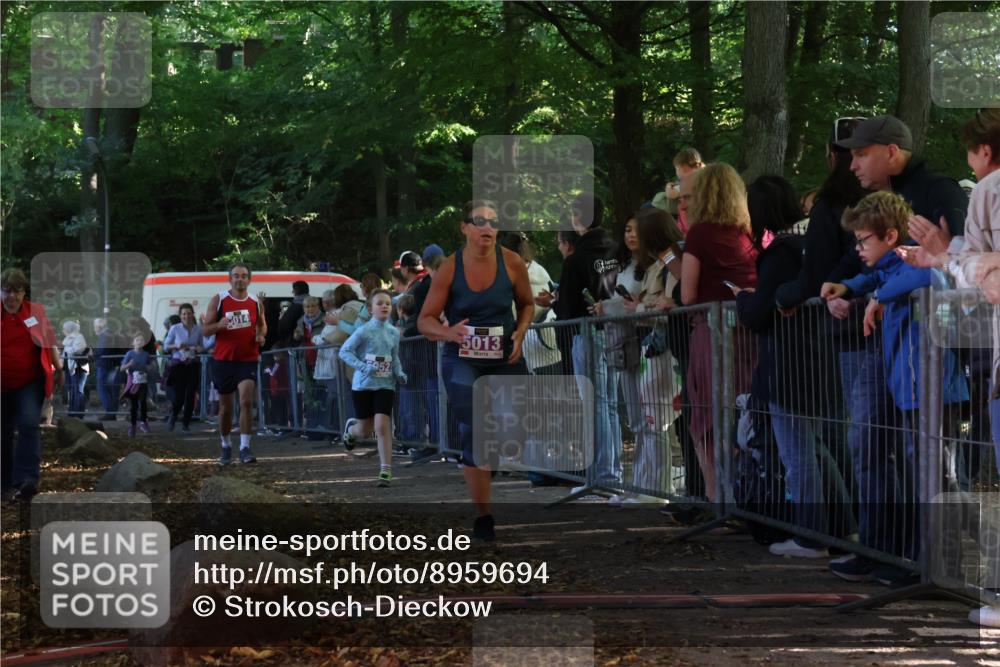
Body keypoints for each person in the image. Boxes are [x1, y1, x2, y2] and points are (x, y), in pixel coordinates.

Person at [822, 192, 970, 564]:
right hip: (912, 390)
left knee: (936, 477)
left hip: (932, 389)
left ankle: (941, 564)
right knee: (921, 475)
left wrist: (878, 297)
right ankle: (924, 560)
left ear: (890, 236)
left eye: (862, 240)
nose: (856, 247)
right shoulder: (891, 269)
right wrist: (856, 287)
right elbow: (880, 275)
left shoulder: (916, 260)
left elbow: (929, 273)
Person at [734, 175, 854, 558]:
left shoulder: (779, 253)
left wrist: (742, 301)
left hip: (789, 368)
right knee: (816, 450)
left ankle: (811, 536)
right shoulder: (807, 249)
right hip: (819, 363)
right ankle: (845, 527)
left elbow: (759, 313)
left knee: (799, 454)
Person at [418, 200, 534, 540]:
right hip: (462, 360)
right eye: (480, 221)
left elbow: (527, 304)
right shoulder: (450, 269)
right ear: (465, 227)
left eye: (493, 222)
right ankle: (484, 515)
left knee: (517, 427)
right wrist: (448, 332)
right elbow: (424, 319)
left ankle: (492, 459)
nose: (488, 228)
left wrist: (521, 331)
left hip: (505, 357)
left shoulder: (511, 263)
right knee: (476, 431)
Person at [680, 163, 759, 502]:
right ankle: (749, 495)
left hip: (711, 334)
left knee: (708, 416)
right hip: (749, 333)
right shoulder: (748, 234)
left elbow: (688, 295)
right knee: (746, 413)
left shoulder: (699, 233)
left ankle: (719, 499)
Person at [536, 194, 623, 497]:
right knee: (609, 404)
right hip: (616, 332)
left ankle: (602, 473)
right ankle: (612, 470)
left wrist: (558, 302)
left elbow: (568, 308)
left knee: (595, 404)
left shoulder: (575, 260)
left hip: (586, 335)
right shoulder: (615, 250)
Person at [598, 208, 683, 504]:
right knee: (644, 422)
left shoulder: (669, 263)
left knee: (654, 422)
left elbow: (668, 305)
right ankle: (644, 485)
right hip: (646, 348)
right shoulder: (661, 264)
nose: (634, 237)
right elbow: (652, 302)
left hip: (659, 349)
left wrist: (641, 308)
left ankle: (658, 489)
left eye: (640, 232)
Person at [1, 268, 60, 500]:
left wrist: (59, 368)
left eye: (18, 291)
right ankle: (3, 484)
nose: (12, 297)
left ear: (24, 292)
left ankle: (27, 480)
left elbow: (48, 341)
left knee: (28, 424)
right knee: (2, 433)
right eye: (6, 291)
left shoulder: (35, 311)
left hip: (28, 381)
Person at [339, 289, 407, 486]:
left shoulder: (394, 332)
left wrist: (400, 373)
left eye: (387, 303)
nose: (385, 306)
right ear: (370, 309)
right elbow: (344, 351)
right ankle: (351, 431)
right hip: (363, 386)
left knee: (382, 426)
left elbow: (394, 358)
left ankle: (385, 470)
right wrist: (363, 367)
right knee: (364, 431)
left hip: (385, 384)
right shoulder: (363, 331)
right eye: (380, 303)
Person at [201, 262, 266, 465]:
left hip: (247, 360)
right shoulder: (219, 299)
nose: (240, 279)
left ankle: (245, 448)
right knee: (225, 408)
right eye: (236, 275)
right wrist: (218, 325)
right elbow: (205, 331)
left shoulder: (256, 301)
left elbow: (262, 326)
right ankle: (226, 445)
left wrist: (260, 336)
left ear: (249, 279)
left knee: (246, 402)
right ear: (230, 278)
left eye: (244, 275)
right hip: (223, 361)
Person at [163, 304, 205, 432]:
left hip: (192, 364)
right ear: (180, 316)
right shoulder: (175, 328)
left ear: (193, 314)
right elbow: (165, 346)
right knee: (179, 396)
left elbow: (202, 346)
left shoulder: (198, 329)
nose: (186, 316)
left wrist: (199, 349)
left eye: (188, 313)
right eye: (184, 314)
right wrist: (177, 345)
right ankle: (173, 417)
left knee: (191, 395)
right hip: (179, 365)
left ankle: (186, 423)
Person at [120, 333, 154, 437]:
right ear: (133, 342)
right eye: (137, 340)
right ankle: (133, 425)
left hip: (143, 381)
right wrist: (129, 365)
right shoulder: (129, 354)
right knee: (133, 405)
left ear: (144, 343)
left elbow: (150, 366)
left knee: (143, 401)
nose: (139, 342)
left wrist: (149, 368)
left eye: (142, 340)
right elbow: (122, 368)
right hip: (132, 382)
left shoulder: (146, 354)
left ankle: (143, 422)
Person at [61, 320, 89, 418]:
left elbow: (77, 350)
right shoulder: (67, 339)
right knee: (73, 390)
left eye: (64, 328)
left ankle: (79, 414)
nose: (63, 330)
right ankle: (72, 412)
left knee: (78, 390)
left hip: (79, 367)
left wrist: (67, 349)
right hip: (70, 367)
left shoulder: (79, 337)